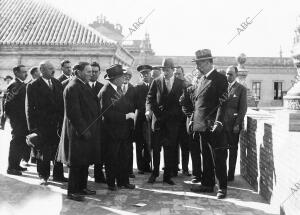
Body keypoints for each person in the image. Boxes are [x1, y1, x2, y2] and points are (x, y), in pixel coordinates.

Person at [187, 49, 228, 199]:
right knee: (207, 158)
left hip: (213, 125)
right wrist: (192, 119)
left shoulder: (220, 79)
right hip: (201, 125)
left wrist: (218, 121)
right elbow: (198, 103)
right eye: (196, 63)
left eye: (200, 63)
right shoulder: (202, 79)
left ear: (209, 62)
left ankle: (222, 188)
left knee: (218, 158)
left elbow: (223, 103)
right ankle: (207, 184)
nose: (197, 66)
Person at [57, 62, 101, 202]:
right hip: (77, 132)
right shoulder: (73, 87)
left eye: (91, 72)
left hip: (86, 131)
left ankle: (82, 187)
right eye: (88, 71)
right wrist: (84, 130)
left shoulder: (83, 84)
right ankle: (72, 191)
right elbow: (74, 114)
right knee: (76, 163)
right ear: (78, 72)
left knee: (84, 161)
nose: (91, 74)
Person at [25, 61, 67, 185]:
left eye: (53, 68)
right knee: (42, 152)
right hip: (42, 126)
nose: (53, 71)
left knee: (57, 151)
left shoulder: (57, 83)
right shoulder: (33, 85)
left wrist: (63, 121)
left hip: (57, 125)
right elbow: (29, 109)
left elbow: (62, 105)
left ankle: (58, 175)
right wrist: (33, 129)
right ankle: (43, 176)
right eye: (50, 69)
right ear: (42, 70)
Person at [146, 58, 186, 185]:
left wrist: (176, 117)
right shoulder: (156, 81)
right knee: (156, 149)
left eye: (167, 70)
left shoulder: (180, 83)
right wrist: (157, 113)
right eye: (163, 70)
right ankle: (154, 173)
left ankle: (167, 176)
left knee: (169, 150)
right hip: (158, 121)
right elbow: (150, 98)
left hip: (172, 123)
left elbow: (184, 103)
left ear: (173, 70)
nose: (165, 72)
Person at [98, 64, 135, 191]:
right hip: (111, 132)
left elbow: (122, 105)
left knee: (123, 157)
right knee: (111, 158)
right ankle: (111, 183)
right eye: (121, 76)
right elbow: (106, 113)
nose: (124, 78)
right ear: (114, 78)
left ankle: (123, 181)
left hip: (122, 131)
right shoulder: (106, 91)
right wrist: (126, 116)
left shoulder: (118, 88)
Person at [4, 65, 29, 175]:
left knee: (21, 143)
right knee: (16, 143)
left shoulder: (20, 84)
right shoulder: (14, 85)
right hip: (18, 120)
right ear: (16, 73)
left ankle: (16, 165)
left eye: (26, 72)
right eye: (23, 72)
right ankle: (11, 167)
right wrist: (14, 119)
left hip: (22, 120)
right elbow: (7, 104)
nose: (26, 74)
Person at [224, 66, 247, 181]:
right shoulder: (222, 87)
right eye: (227, 74)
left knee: (233, 150)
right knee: (222, 150)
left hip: (233, 126)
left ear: (236, 75)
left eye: (231, 74)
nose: (228, 76)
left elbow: (242, 109)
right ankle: (222, 172)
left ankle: (231, 174)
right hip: (222, 125)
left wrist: (237, 124)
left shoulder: (241, 89)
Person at [88, 61, 106, 184]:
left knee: (99, 151)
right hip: (86, 125)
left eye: (96, 72)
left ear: (100, 73)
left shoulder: (102, 87)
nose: (93, 74)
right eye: (91, 71)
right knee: (85, 152)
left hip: (99, 125)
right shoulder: (82, 85)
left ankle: (99, 175)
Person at [134, 65, 152, 174]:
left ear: (150, 75)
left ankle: (147, 165)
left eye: (147, 74)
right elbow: (134, 103)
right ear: (140, 76)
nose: (145, 76)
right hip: (140, 118)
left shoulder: (154, 86)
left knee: (148, 143)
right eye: (143, 74)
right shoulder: (137, 87)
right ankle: (140, 166)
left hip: (150, 119)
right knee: (139, 143)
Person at [173, 67, 191, 176]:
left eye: (179, 74)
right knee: (174, 146)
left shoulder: (187, 85)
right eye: (175, 74)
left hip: (184, 120)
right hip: (174, 121)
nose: (177, 76)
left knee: (185, 146)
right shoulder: (171, 85)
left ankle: (185, 168)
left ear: (183, 74)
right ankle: (174, 167)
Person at [122, 69, 136, 179]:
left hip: (129, 123)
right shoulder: (116, 88)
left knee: (129, 147)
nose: (127, 77)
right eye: (125, 75)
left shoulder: (133, 89)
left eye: (129, 76)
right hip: (118, 122)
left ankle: (129, 170)